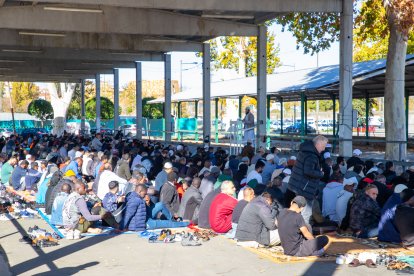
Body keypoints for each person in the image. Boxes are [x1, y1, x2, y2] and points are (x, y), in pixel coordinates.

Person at [287, 135, 328, 225]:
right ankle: (306, 236)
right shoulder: (311, 156)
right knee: (306, 214)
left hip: (296, 186)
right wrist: (320, 173)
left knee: (297, 212)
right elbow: (308, 171)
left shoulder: (304, 152)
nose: (324, 149)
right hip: (304, 189)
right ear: (318, 144)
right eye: (323, 146)